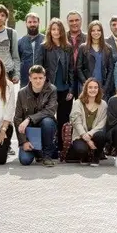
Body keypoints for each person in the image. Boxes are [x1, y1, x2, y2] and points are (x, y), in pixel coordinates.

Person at [39, 18, 74, 151]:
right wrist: (41, 88)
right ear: (50, 31)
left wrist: (71, 89)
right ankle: (47, 147)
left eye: (58, 29)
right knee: (47, 119)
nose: (56, 32)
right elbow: (39, 68)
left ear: (62, 31)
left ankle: (61, 147)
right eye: (53, 29)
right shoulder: (44, 47)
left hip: (65, 89)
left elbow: (71, 69)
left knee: (63, 119)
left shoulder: (68, 47)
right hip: (48, 89)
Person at [14, 65, 58, 166]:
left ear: (45, 77)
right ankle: (37, 151)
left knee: (48, 121)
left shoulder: (52, 90)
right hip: (29, 132)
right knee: (25, 160)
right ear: (30, 78)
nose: (38, 81)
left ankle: (47, 156)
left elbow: (50, 111)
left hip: (45, 128)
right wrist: (23, 142)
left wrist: (29, 118)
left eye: (40, 78)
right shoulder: (22, 93)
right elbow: (17, 118)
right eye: (35, 78)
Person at [68, 78, 108, 166]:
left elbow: (102, 123)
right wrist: (85, 137)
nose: (93, 90)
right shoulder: (78, 103)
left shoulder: (103, 104)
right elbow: (76, 122)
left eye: (95, 87)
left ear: (98, 89)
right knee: (81, 150)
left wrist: (90, 134)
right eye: (90, 87)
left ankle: (96, 157)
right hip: (80, 135)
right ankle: (85, 156)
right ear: (86, 89)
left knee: (101, 136)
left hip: (95, 135)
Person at [77, 20, 115, 99]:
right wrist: (86, 84)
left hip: (102, 87)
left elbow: (111, 70)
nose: (96, 32)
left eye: (98, 30)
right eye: (93, 30)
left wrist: (105, 88)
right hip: (87, 87)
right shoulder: (83, 48)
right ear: (90, 32)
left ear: (101, 32)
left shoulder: (108, 48)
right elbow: (78, 68)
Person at [17, 12, 45, 88]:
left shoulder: (46, 40)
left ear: (39, 23)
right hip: (25, 81)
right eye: (30, 22)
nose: (32, 24)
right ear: (26, 23)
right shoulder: (20, 42)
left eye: (35, 22)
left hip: (42, 81)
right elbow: (17, 60)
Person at [66, 10, 87, 98]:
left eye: (77, 20)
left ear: (81, 21)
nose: (74, 23)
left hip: (84, 78)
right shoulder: (63, 38)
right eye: (71, 21)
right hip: (67, 78)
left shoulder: (88, 38)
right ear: (67, 22)